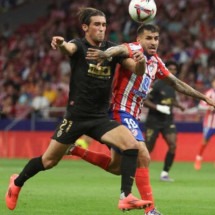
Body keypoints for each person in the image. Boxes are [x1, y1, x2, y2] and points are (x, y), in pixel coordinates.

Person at [5, 7, 151, 212]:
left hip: (100, 118)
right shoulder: (79, 46)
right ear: (85, 28)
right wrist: (61, 44)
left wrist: (142, 63)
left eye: (104, 25)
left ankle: (125, 196)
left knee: (131, 146)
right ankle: (17, 182)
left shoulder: (112, 49)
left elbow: (137, 70)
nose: (102, 29)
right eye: (97, 25)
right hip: (76, 117)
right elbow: (68, 49)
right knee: (48, 161)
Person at [69, 24, 215, 215]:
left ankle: (75, 150)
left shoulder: (156, 62)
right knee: (143, 154)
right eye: (149, 38)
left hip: (132, 116)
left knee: (116, 167)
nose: (153, 42)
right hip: (120, 111)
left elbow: (176, 83)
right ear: (139, 40)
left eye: (156, 38)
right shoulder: (135, 49)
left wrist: (203, 97)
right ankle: (151, 210)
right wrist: (106, 54)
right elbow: (120, 48)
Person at [144, 61, 185, 182]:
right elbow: (144, 100)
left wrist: (178, 106)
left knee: (173, 145)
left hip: (167, 120)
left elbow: (170, 100)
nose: (172, 71)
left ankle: (164, 173)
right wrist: (157, 107)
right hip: (154, 120)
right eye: (170, 69)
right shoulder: (157, 84)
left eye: (174, 69)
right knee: (148, 148)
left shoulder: (173, 85)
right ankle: (139, 170)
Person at [194, 77, 215, 170]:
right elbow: (200, 106)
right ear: (212, 83)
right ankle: (198, 158)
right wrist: (209, 108)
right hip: (210, 123)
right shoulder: (209, 93)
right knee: (205, 141)